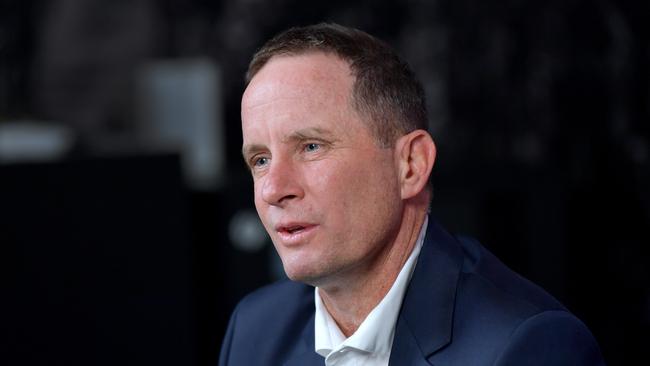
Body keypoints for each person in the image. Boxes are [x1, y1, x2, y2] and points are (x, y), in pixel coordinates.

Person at [219, 23, 605, 366]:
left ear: (411, 165)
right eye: (261, 159)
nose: (272, 189)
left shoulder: (525, 345)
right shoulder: (254, 331)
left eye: (311, 147)